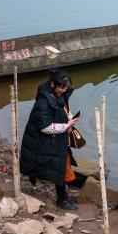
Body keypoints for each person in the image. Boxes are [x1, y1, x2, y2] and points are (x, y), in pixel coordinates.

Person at [19, 69, 84, 210]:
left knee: (52, 163)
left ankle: (34, 177)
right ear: (53, 84)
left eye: (65, 87)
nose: (63, 90)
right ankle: (63, 199)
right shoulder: (43, 103)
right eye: (61, 87)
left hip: (56, 137)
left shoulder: (59, 94)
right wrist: (66, 125)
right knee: (59, 166)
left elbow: (64, 108)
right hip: (45, 138)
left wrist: (69, 118)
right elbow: (45, 127)